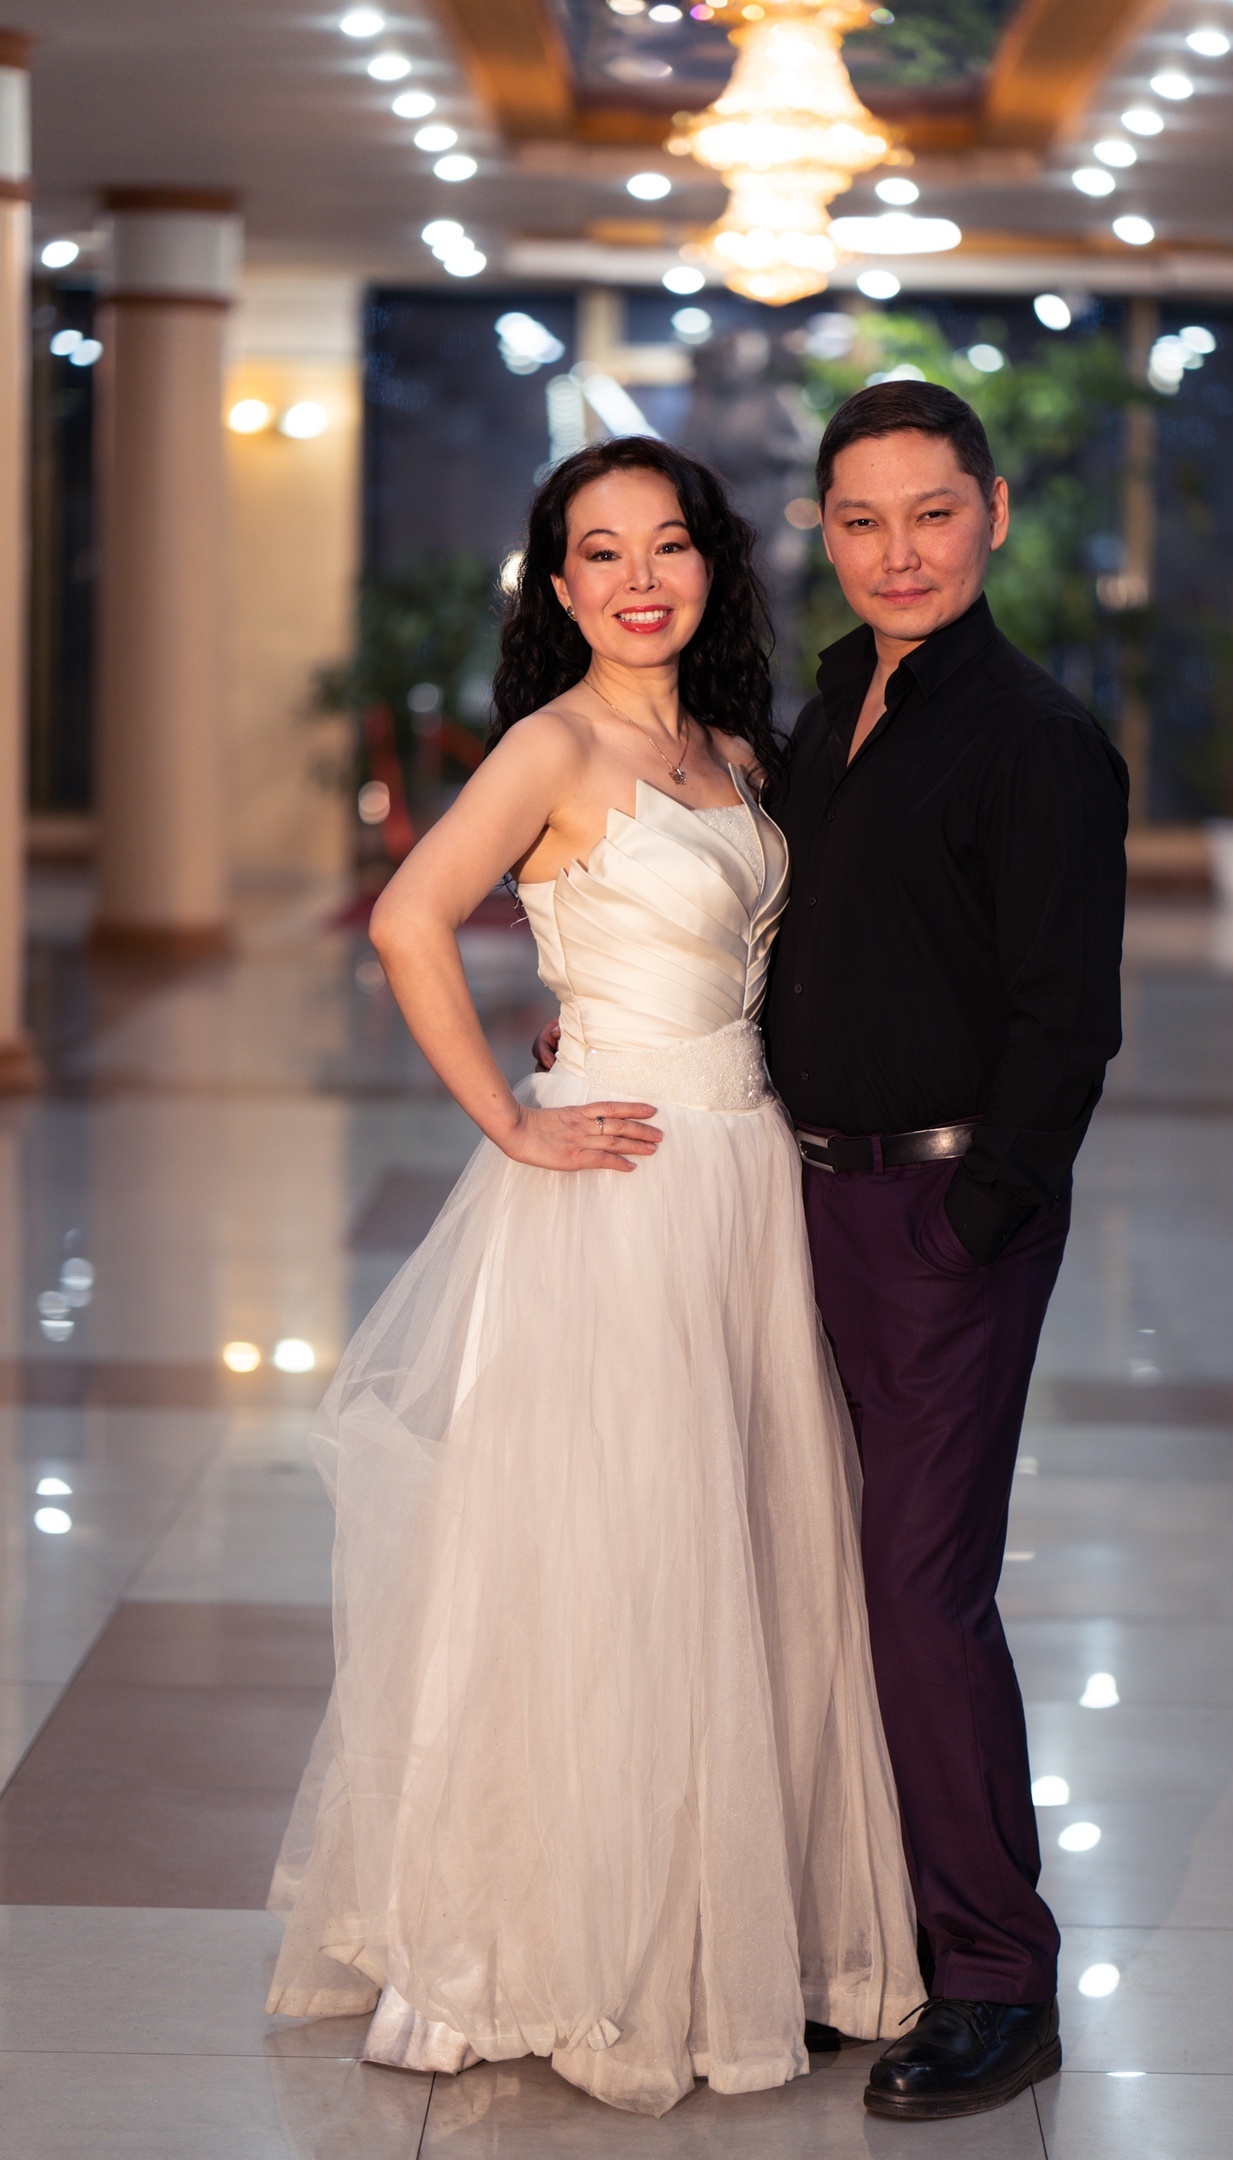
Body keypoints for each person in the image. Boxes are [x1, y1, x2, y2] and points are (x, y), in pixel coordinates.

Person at [264, 437, 922, 2119]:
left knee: (744, 1549)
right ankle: (562, 1944)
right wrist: (514, 1119)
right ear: (559, 586)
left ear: (710, 565)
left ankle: (739, 1930)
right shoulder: (552, 745)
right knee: (612, 1555)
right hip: (618, 1186)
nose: (639, 578)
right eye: (601, 551)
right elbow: (409, 918)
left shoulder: (735, 751)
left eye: (667, 545)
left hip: (745, 1179)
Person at [764, 381, 1128, 2121]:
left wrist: (980, 1216)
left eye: (930, 513)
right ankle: (870, 1937)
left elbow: (1068, 1018)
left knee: (919, 1592)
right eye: (862, 519)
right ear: (824, 532)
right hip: (794, 1198)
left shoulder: (1034, 738)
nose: (896, 552)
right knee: (809, 1572)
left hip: (937, 1212)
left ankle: (995, 1977)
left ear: (993, 513)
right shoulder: (832, 705)